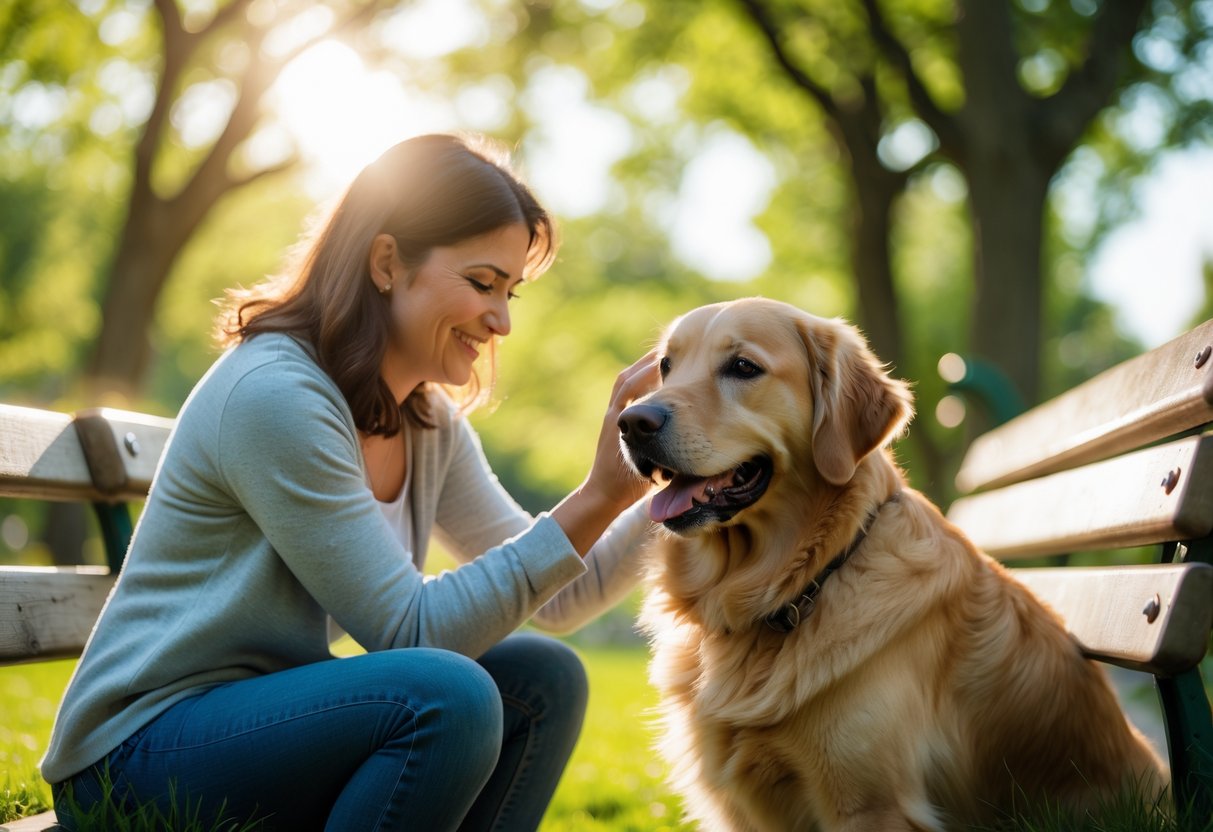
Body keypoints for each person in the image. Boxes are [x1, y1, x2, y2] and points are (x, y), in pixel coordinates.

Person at [41, 133, 660, 831]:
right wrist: (596, 495)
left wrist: (674, 484)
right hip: (136, 756)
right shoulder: (276, 395)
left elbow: (562, 594)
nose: (502, 321)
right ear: (388, 262)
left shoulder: (425, 421)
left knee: (543, 678)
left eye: (510, 292)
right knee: (445, 696)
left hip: (261, 730)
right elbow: (409, 631)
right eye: (482, 283)